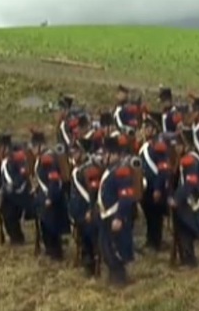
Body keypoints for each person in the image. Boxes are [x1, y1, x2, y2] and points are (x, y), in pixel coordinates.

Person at [97, 135, 136, 285]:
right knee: (106, 247)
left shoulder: (121, 172)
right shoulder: (111, 170)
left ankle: (120, 278)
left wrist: (119, 217)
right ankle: (114, 275)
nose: (104, 157)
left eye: (107, 154)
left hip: (115, 215)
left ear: (115, 155)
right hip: (107, 215)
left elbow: (126, 197)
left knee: (115, 249)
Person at [29, 130, 70, 260]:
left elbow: (53, 180)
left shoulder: (47, 159)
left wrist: (50, 197)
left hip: (51, 198)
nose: (33, 150)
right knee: (45, 225)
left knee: (51, 227)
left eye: (34, 147)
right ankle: (50, 250)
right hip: (44, 196)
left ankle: (55, 252)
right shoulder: (43, 158)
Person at [68, 139, 103, 275]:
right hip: (78, 210)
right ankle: (87, 262)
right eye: (72, 151)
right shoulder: (77, 168)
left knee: (91, 239)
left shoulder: (90, 169)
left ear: (83, 152)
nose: (73, 154)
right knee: (82, 238)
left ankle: (93, 266)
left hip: (87, 210)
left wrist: (90, 209)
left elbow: (93, 191)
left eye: (76, 151)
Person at [137, 117, 172, 250]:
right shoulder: (145, 146)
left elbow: (162, 169)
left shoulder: (159, 146)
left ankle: (156, 240)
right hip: (146, 186)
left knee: (156, 215)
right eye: (144, 128)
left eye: (147, 128)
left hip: (155, 186)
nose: (144, 130)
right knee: (148, 214)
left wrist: (158, 188)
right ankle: (150, 239)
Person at [169, 153, 199, 267]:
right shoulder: (176, 158)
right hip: (180, 200)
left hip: (187, 201)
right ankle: (184, 257)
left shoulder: (190, 161)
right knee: (181, 231)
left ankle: (189, 259)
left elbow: (190, 183)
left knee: (186, 229)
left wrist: (177, 199)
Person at [0, 141, 32, 245]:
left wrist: (13, 185)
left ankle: (18, 237)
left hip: (18, 194)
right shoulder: (3, 162)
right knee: (6, 215)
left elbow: (22, 175)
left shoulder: (19, 160)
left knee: (12, 216)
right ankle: (13, 236)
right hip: (7, 194)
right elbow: (2, 177)